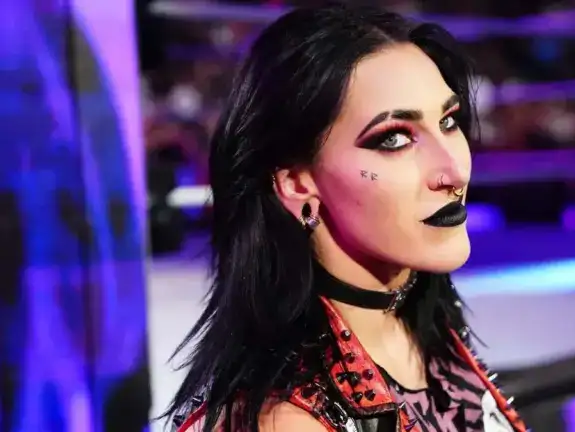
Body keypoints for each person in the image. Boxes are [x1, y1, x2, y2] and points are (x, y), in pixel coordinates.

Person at [165, 4, 527, 432]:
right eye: (394, 139)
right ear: (296, 183)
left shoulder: (421, 325)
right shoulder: (287, 419)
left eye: (448, 121)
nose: (454, 171)